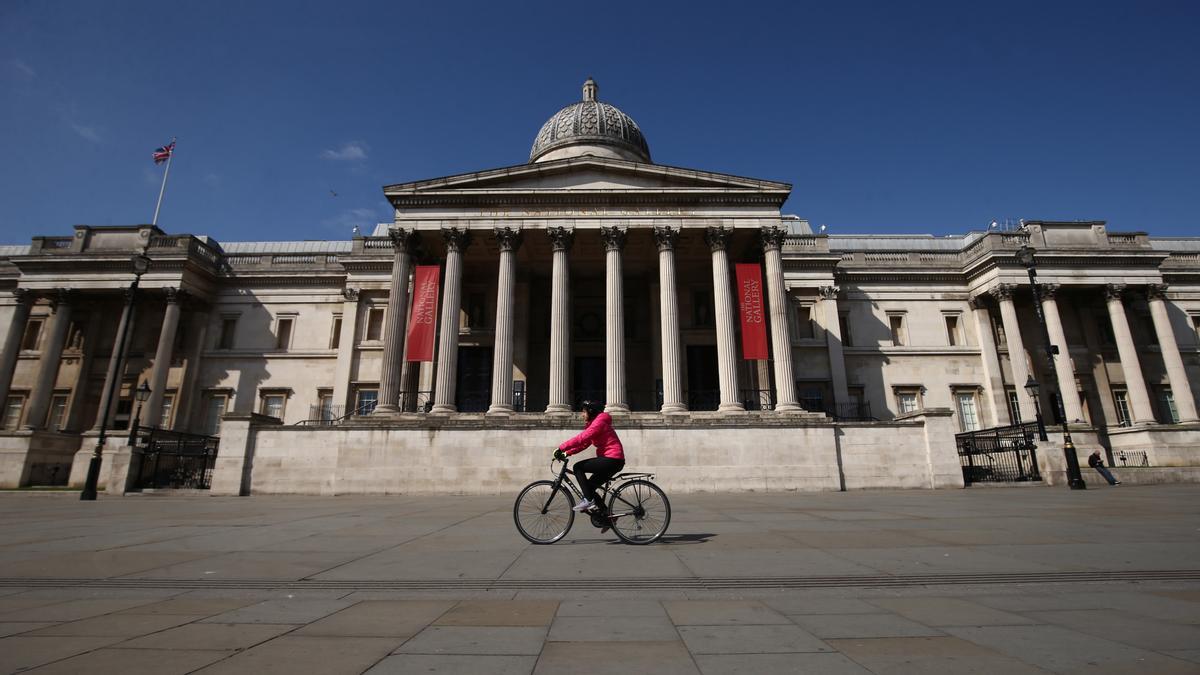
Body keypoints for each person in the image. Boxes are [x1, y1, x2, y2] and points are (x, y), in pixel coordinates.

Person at [553, 400, 624, 513]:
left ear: (591, 412)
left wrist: (561, 447)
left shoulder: (599, 423)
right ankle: (607, 517)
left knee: (578, 467)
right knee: (589, 487)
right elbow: (584, 444)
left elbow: (582, 438)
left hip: (611, 459)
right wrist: (566, 453)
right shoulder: (596, 424)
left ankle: (588, 501)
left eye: (584, 412)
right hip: (613, 460)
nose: (582, 415)